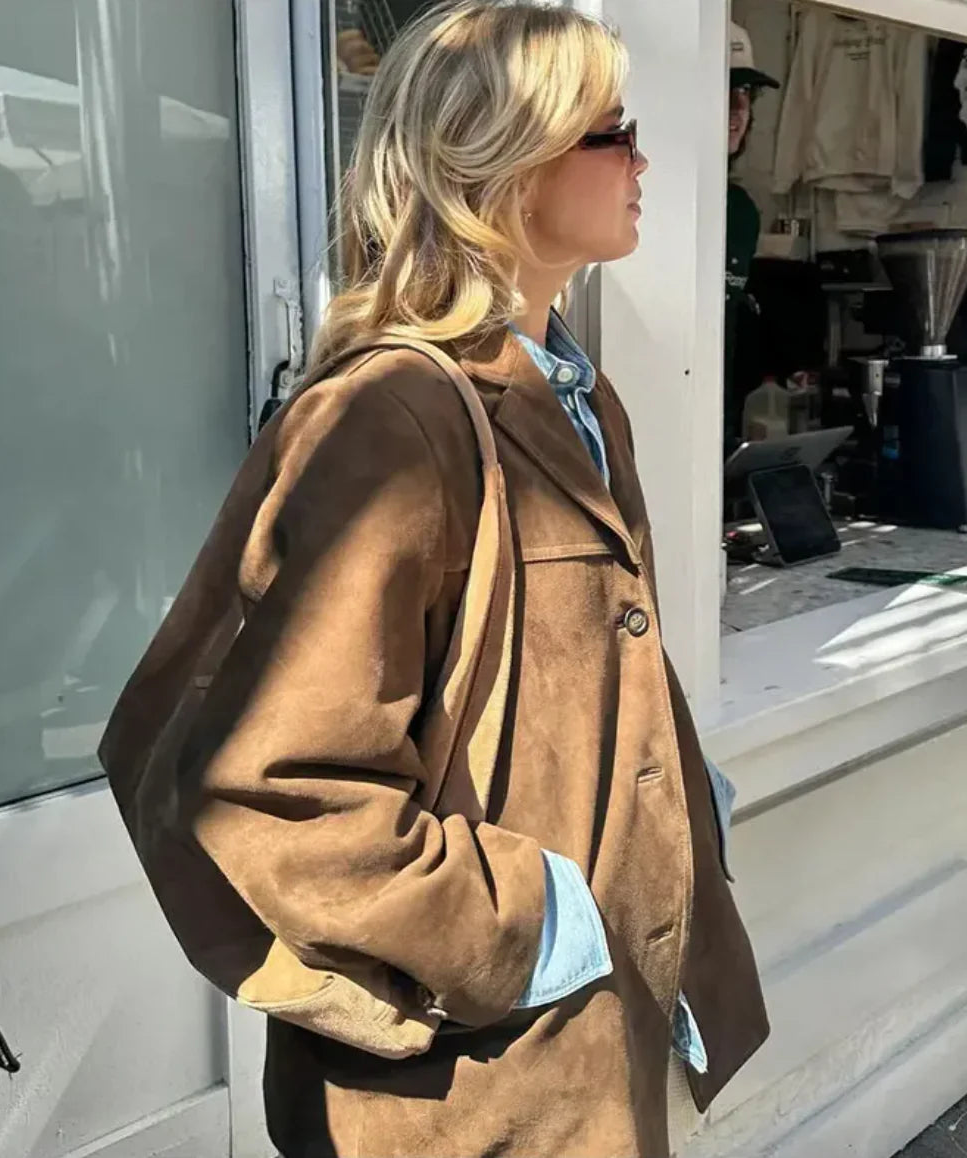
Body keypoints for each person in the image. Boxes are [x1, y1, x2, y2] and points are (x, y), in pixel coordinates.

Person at [100, 3, 769, 1156]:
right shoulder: (391, 417)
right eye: (610, 132)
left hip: (585, 1054)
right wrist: (524, 927)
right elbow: (268, 790)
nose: (644, 161)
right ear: (506, 162)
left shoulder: (575, 397)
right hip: (461, 1096)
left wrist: (673, 805)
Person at [725, 22, 779, 450]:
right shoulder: (649, 198)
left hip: (723, 423)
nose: (737, 108)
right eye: (724, 89)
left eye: (745, 92)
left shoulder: (741, 210)